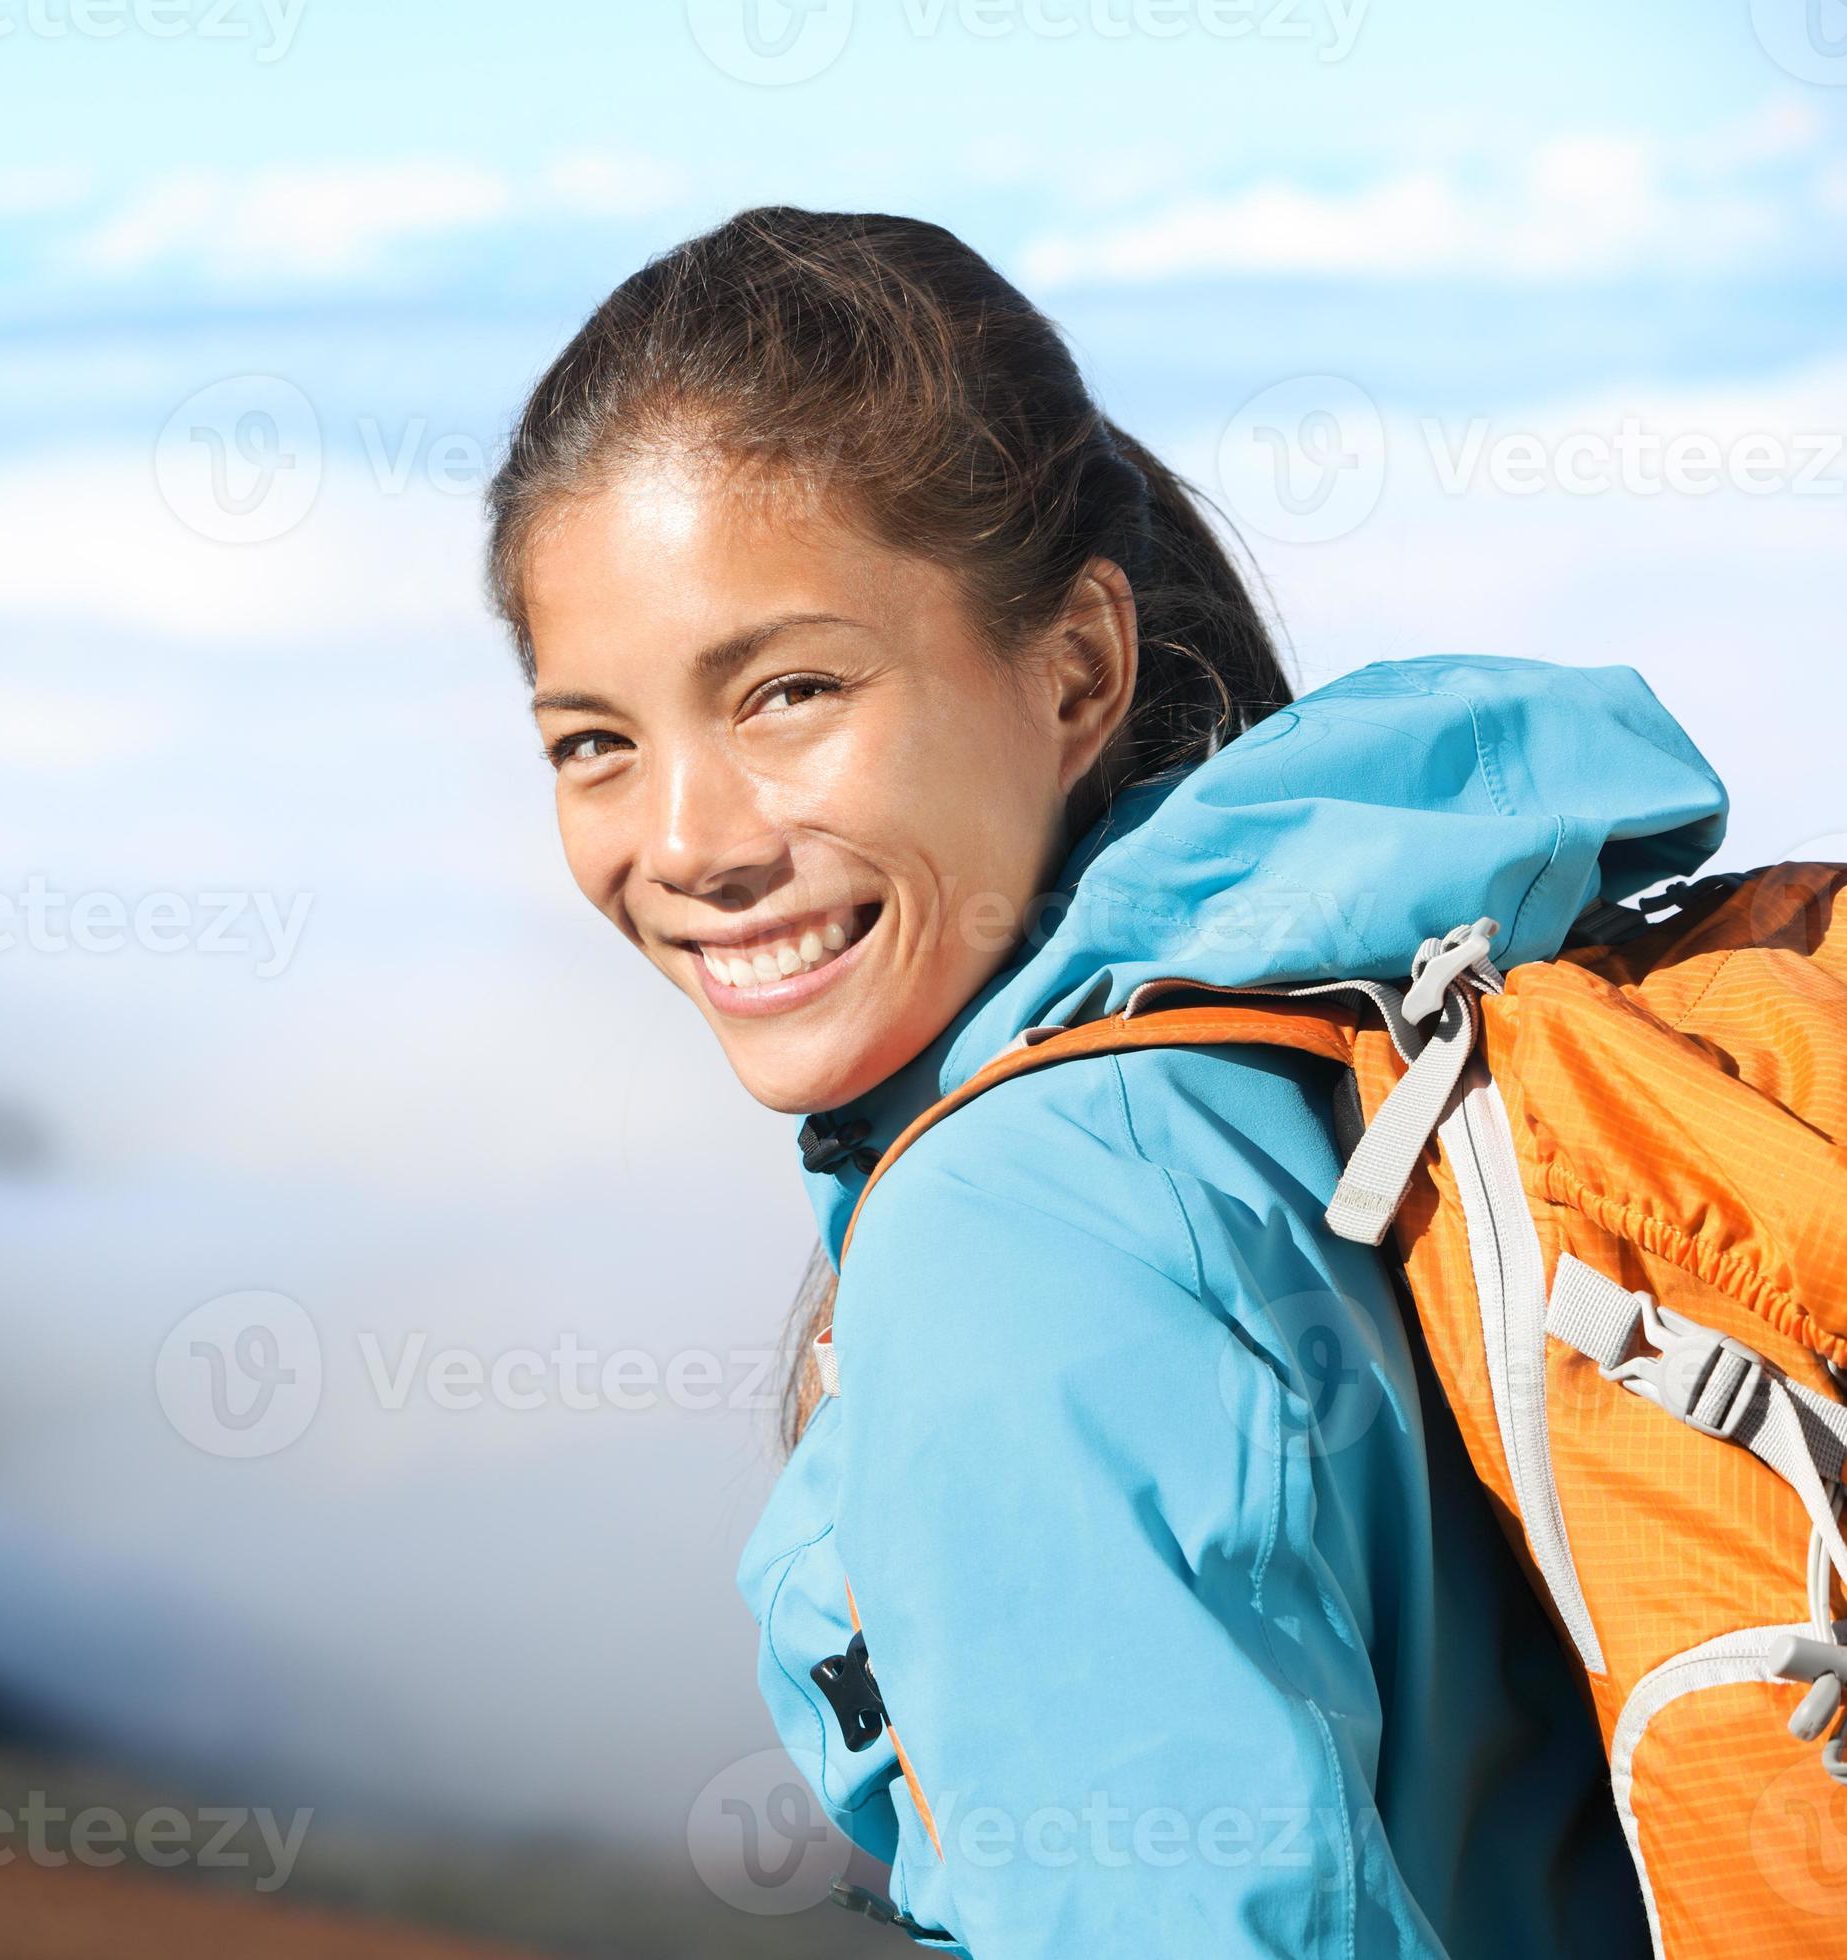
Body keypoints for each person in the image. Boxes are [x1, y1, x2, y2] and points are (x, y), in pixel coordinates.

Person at [485, 207, 1694, 1954]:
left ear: (1076, 672)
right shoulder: (1356, 998)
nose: (683, 842)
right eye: (594, 742)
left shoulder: (1029, 1232)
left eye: (789, 692)